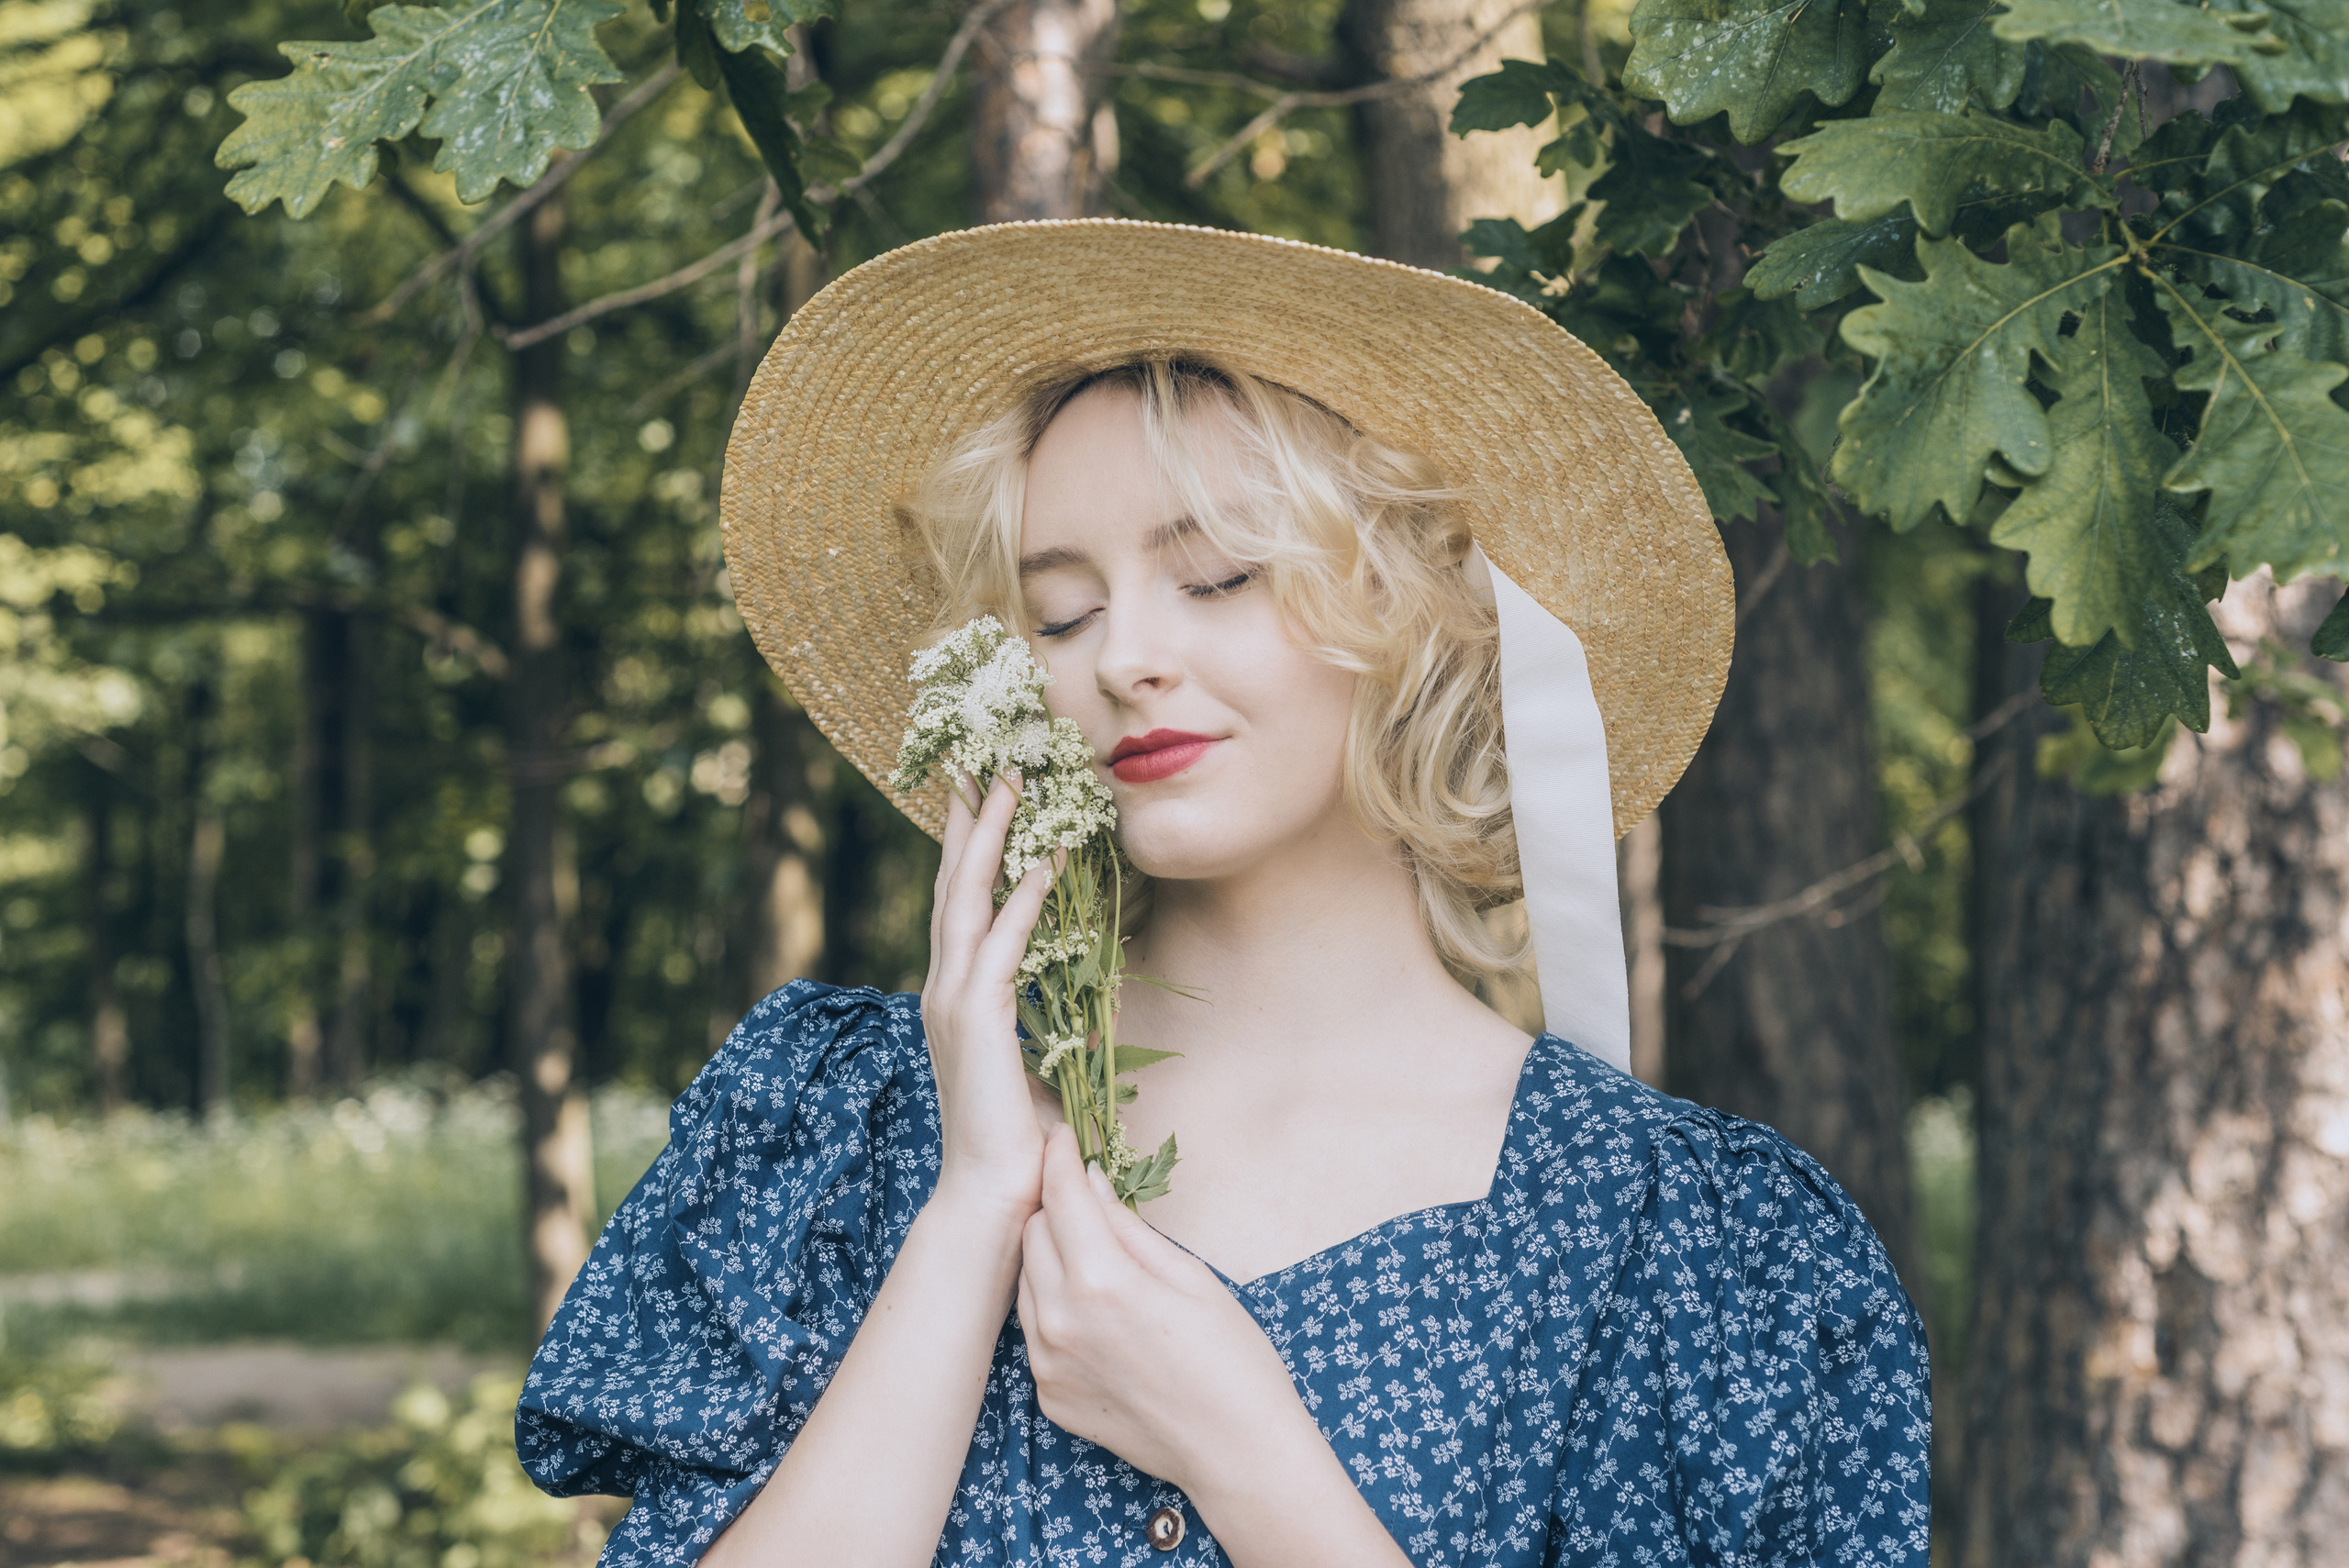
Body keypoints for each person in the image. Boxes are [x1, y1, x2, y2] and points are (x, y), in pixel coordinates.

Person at [517, 220, 1931, 1567]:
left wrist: (1247, 1452)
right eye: (1059, 610)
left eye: (1213, 575)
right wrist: (968, 1214)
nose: (1124, 654)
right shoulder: (845, 1131)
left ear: (1414, 612)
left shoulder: (1682, 1246)